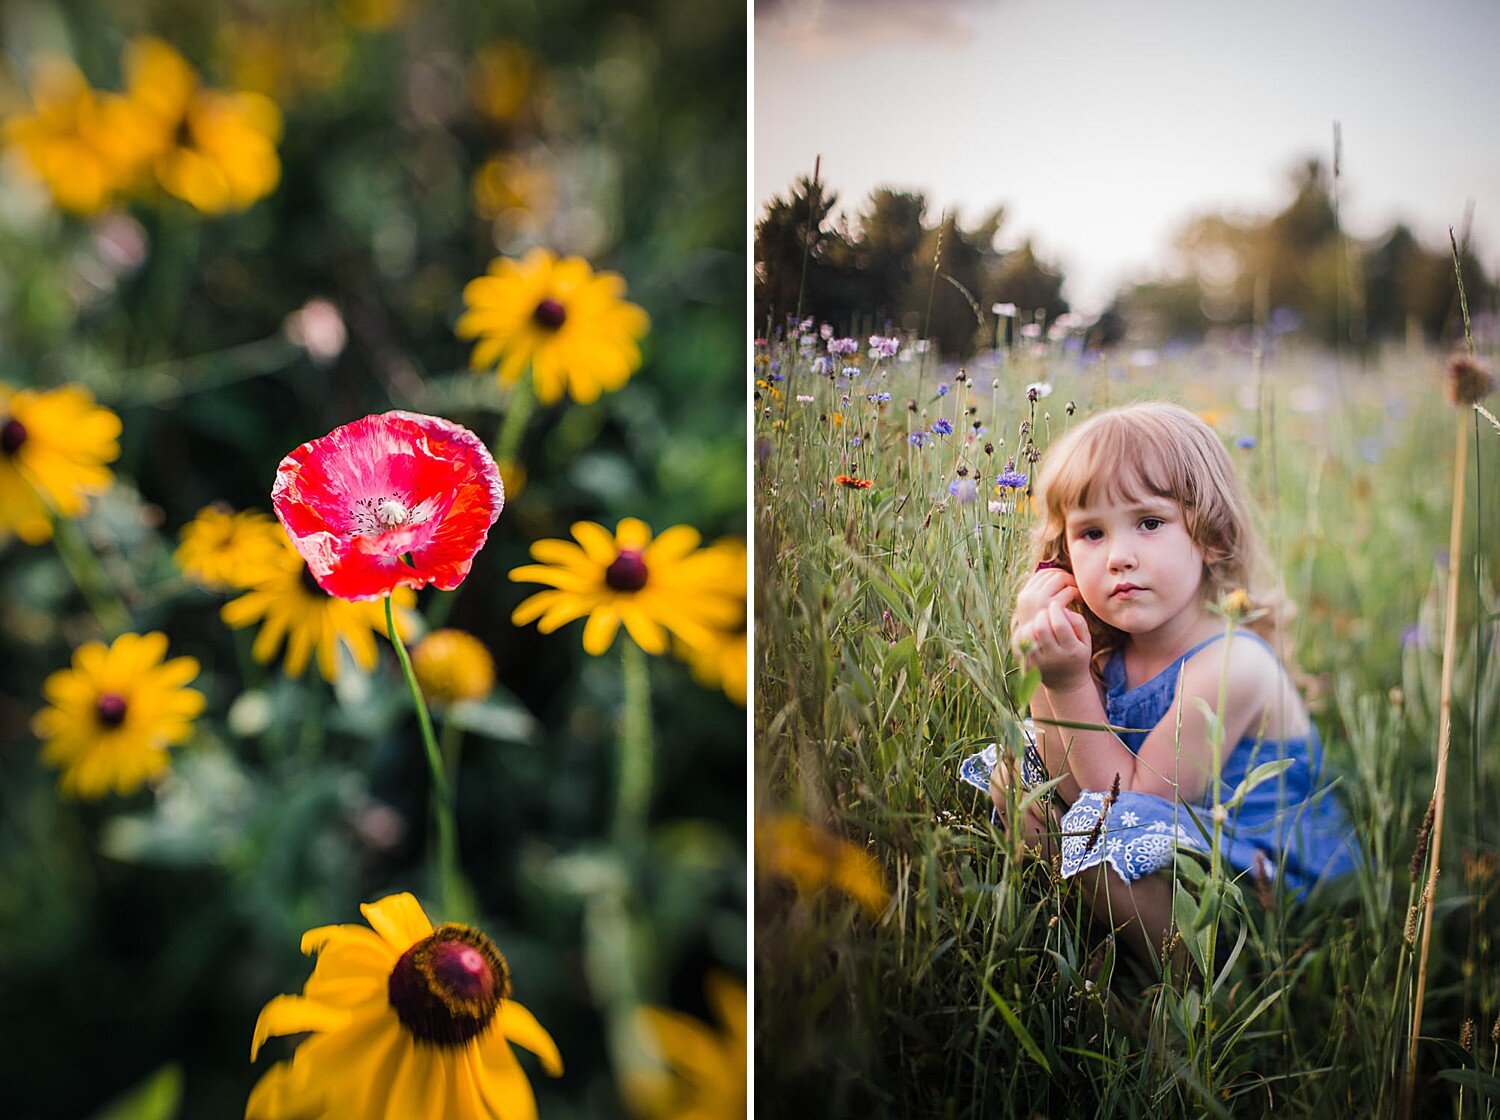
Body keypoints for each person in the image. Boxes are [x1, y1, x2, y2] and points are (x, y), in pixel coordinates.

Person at [989, 402, 1358, 965]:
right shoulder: (1105, 647)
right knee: (1018, 778)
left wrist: (1063, 682)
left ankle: (1198, 984)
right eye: (1091, 532)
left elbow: (1124, 806)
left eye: (1149, 523)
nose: (1118, 557)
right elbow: (1067, 770)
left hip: (1265, 875)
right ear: (1062, 555)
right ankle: (1082, 942)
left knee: (1096, 835)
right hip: (1178, 846)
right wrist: (1042, 665)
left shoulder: (1232, 664)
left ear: (1209, 535)